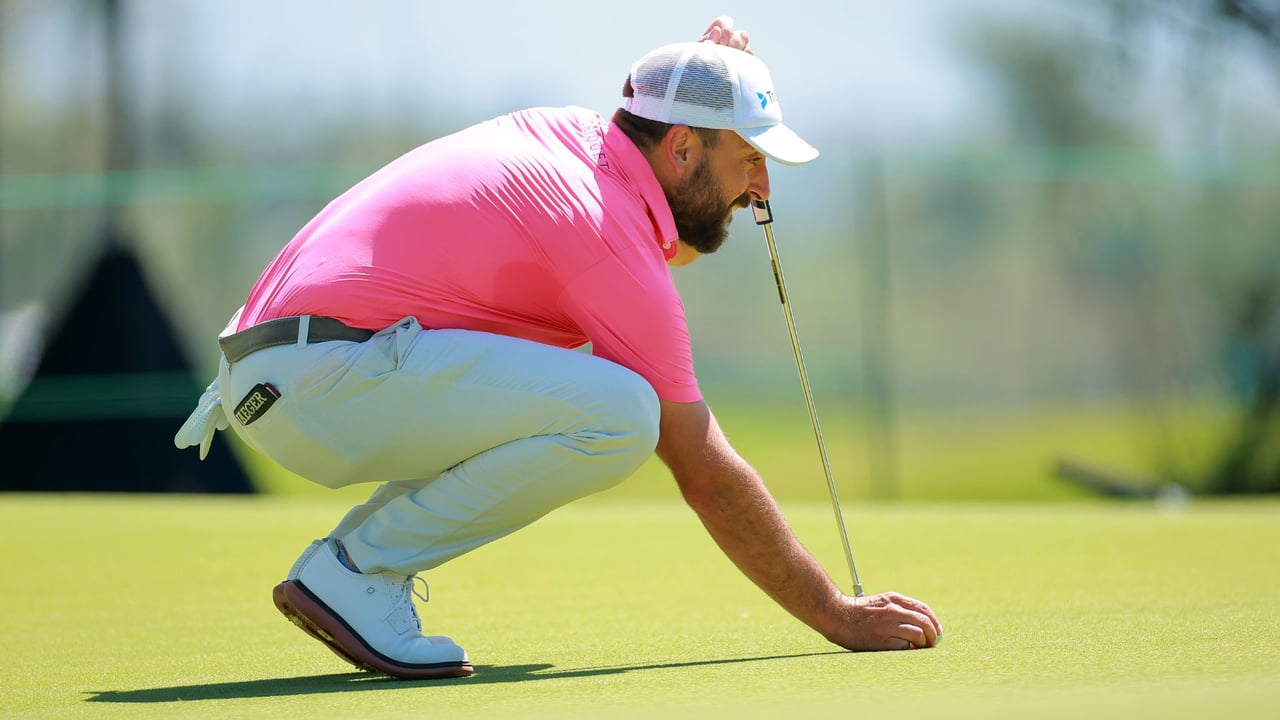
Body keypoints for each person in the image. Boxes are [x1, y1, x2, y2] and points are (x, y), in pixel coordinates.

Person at [176, 16, 942, 680]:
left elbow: (651, 235)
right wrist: (835, 615)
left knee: (596, 397)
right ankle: (358, 570)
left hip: (282, 377)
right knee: (623, 414)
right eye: (749, 158)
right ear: (679, 149)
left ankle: (346, 569)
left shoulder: (581, 149)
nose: (760, 188)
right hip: (325, 377)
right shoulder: (602, 227)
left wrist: (709, 78)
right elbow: (702, 467)